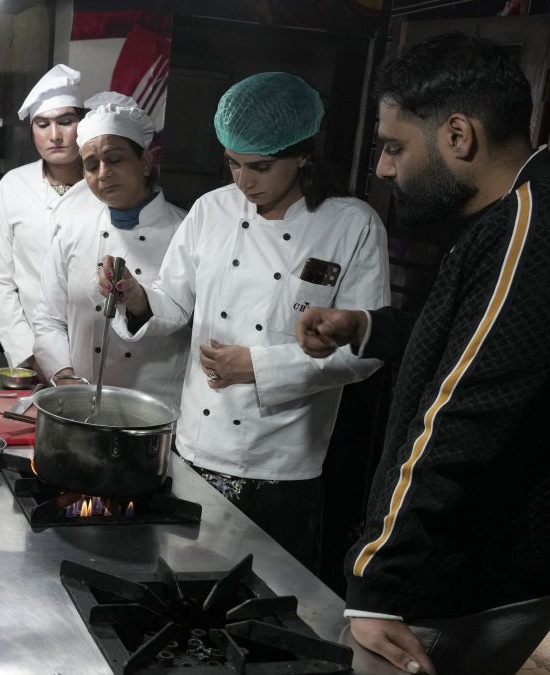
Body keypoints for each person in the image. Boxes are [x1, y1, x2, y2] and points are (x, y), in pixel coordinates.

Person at [296, 33, 550, 675]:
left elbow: (465, 415)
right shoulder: (507, 215)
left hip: (455, 583)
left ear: (458, 135)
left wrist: (379, 581)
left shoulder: (527, 226)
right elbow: (480, 347)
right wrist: (367, 327)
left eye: (393, 146)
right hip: (471, 569)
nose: (382, 167)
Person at [103, 72, 390, 571]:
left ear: (304, 155)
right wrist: (136, 298)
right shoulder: (211, 210)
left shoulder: (352, 224)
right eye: (233, 164)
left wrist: (256, 366)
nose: (243, 180)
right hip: (194, 448)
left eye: (260, 166)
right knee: (178, 589)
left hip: (282, 464)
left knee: (268, 604)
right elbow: (174, 300)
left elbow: (361, 354)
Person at [33, 93, 188, 406]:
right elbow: (48, 319)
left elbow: (191, 320)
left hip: (154, 413)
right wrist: (63, 375)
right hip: (80, 404)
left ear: (145, 162)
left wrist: (138, 298)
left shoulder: (185, 231)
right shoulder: (72, 230)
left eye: (114, 159)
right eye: (91, 166)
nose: (102, 173)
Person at [0, 64, 92, 373]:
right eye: (43, 124)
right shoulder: (13, 186)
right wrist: (28, 354)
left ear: (82, 124)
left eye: (66, 121)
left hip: (97, 352)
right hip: (30, 354)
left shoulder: (105, 187)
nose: (55, 135)